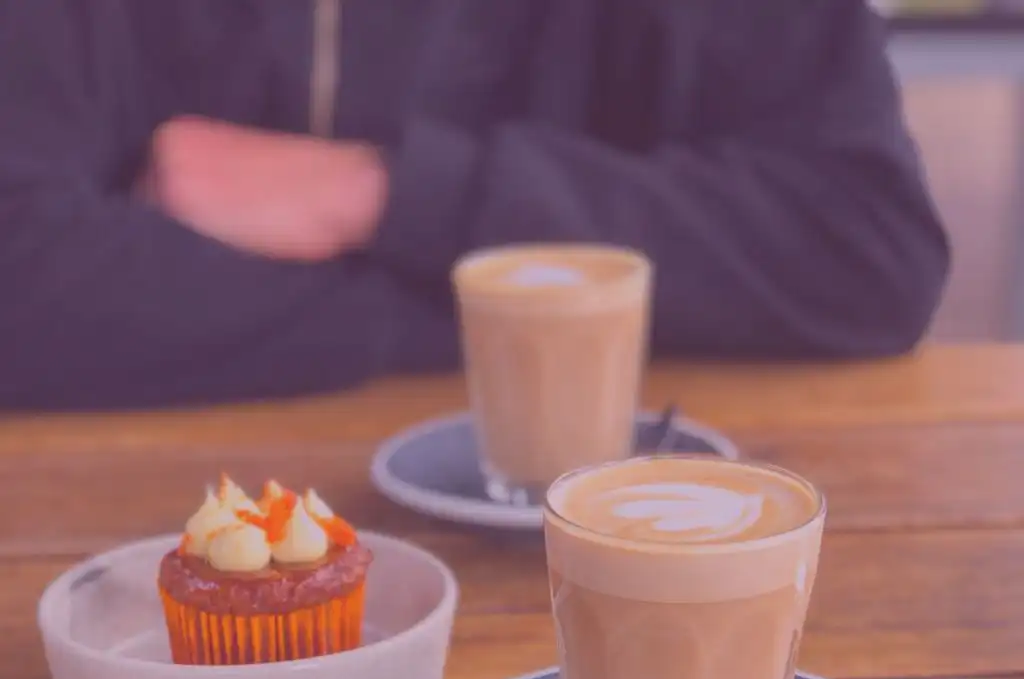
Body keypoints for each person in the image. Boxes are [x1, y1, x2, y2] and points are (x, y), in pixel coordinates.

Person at [0, 0, 948, 411]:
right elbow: (21, 290)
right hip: (122, 557)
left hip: (604, 528)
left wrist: (379, 194)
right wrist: (524, 309)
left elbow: (864, 251)